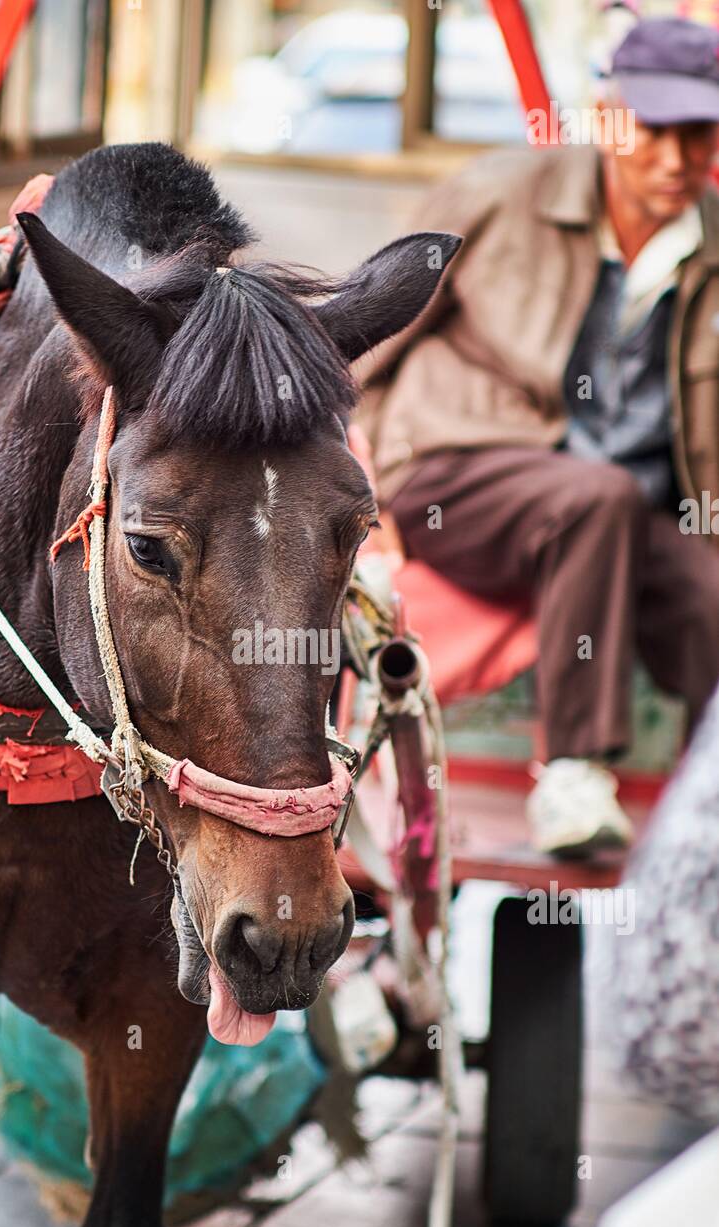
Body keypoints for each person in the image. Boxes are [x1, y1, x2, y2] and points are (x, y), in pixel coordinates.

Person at [354, 16, 719, 856]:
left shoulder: (708, 243)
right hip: (458, 472)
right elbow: (362, 341)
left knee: (704, 595)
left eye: (698, 135)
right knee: (596, 499)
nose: (675, 160)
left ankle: (700, 811)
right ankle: (573, 775)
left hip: (623, 509)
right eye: (655, 130)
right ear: (608, 115)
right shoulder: (496, 194)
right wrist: (358, 492)